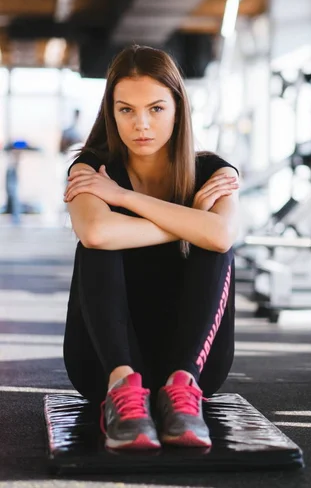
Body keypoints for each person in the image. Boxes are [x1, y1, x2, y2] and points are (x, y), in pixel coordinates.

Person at [63, 45, 240, 451]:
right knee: (97, 245)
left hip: (196, 363)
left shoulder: (214, 172)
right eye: (126, 110)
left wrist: (125, 200)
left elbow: (220, 238)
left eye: (156, 109)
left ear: (178, 108)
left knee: (214, 248)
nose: (141, 124)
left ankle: (182, 384)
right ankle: (124, 388)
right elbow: (95, 233)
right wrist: (187, 223)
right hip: (101, 362)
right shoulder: (91, 169)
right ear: (111, 112)